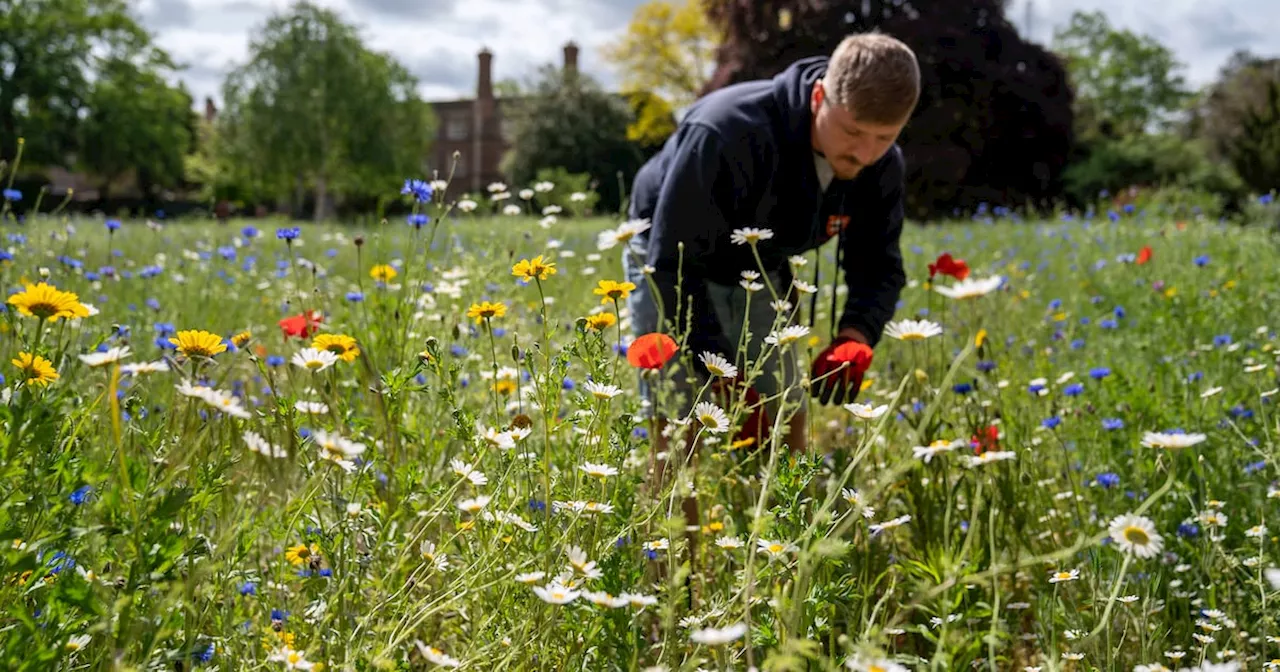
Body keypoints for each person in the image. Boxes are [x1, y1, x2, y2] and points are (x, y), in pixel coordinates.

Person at [622, 31, 918, 464]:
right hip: (668, 254)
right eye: (853, 130)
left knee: (784, 408)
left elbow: (877, 264)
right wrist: (721, 372)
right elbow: (671, 263)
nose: (865, 153)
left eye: (884, 137)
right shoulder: (726, 132)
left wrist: (856, 336)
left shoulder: (882, 166)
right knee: (678, 420)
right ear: (820, 97)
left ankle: (776, 523)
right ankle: (675, 530)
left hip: (760, 262)